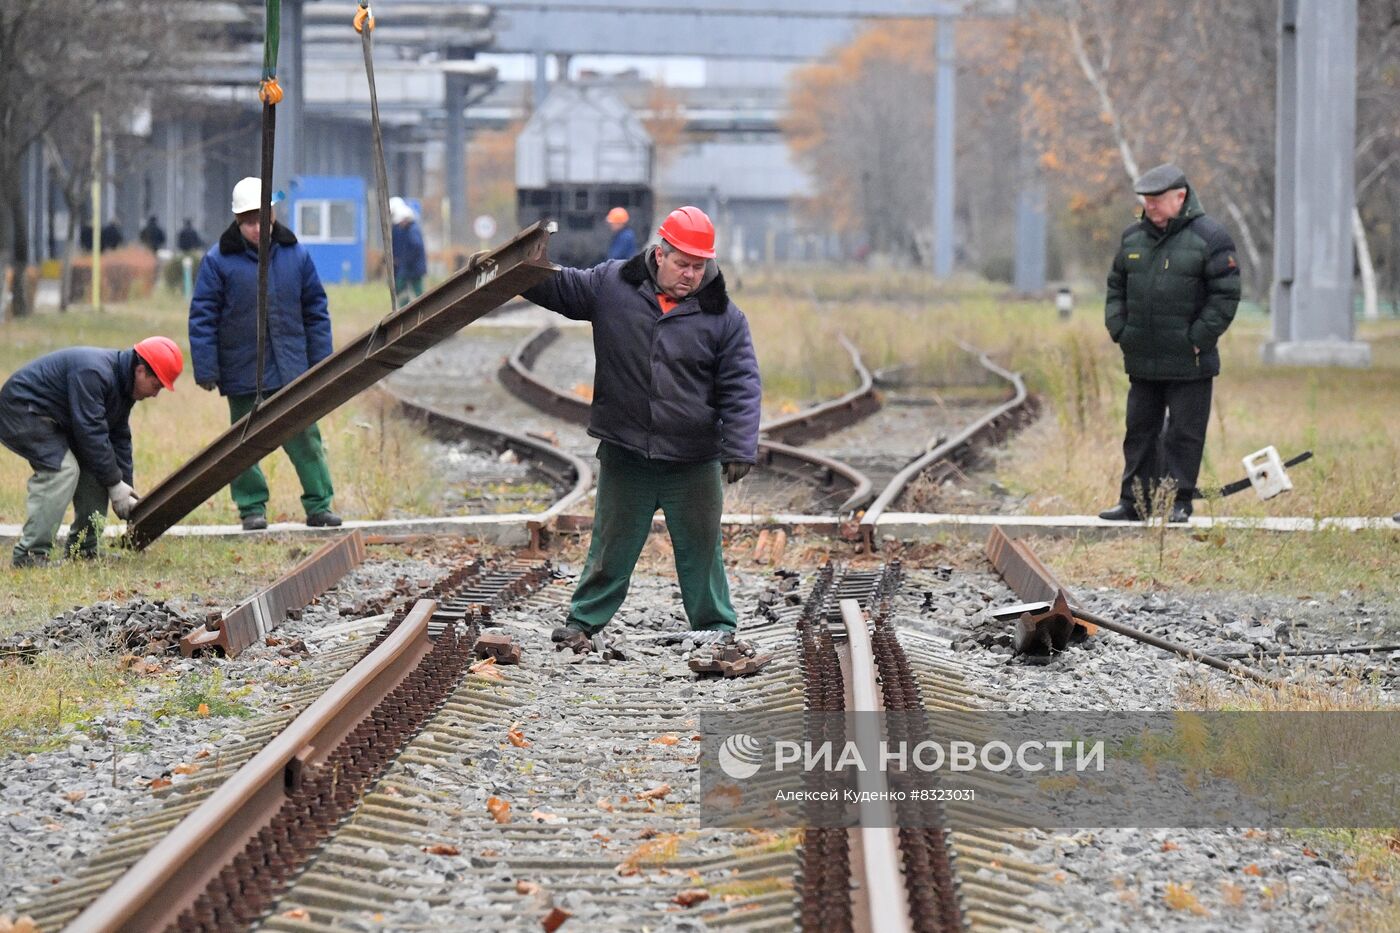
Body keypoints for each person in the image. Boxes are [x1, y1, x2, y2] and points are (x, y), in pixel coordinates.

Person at [523, 206, 762, 661]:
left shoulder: (724, 318)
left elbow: (742, 384)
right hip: (626, 450)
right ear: (660, 252)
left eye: (699, 266)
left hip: (692, 458)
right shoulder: (612, 285)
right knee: (611, 544)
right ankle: (583, 624)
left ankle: (716, 629)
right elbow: (559, 287)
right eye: (682, 263)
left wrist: (739, 446)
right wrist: (510, 270)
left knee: (701, 548)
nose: (690, 275)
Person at [189, 177, 341, 532]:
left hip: (292, 370)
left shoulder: (296, 255)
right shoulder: (218, 261)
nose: (258, 227)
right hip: (242, 372)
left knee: (305, 439)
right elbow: (203, 316)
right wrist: (207, 368)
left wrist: (321, 363)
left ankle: (320, 505)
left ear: (273, 214)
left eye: (263, 218)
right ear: (237, 222)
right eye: (249, 221)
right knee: (243, 446)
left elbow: (315, 310)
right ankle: (251, 508)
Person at [1099, 163, 1240, 524]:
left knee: (1184, 434)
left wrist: (1197, 340)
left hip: (1190, 361)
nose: (1151, 206)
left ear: (1181, 197)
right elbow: (1116, 286)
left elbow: (1225, 297)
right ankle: (1133, 503)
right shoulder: (1132, 239)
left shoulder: (1211, 237)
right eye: (1146, 200)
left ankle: (1179, 503)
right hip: (1143, 359)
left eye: (1158, 200)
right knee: (1139, 432)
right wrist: (1120, 330)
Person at [0, 337, 183, 567]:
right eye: (156, 386)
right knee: (63, 470)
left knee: (100, 472)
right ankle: (29, 555)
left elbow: (119, 438)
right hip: (23, 409)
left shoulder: (124, 386)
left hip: (59, 419)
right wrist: (115, 483)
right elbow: (91, 432)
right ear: (140, 370)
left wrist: (125, 490)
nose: (156, 394)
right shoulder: (94, 372)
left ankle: (83, 551)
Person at [389, 196, 427, 303]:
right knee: (409, 291)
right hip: (410, 267)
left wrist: (404, 260)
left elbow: (415, 247)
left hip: (412, 268)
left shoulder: (411, 230)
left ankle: (421, 310)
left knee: (416, 291)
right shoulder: (409, 229)